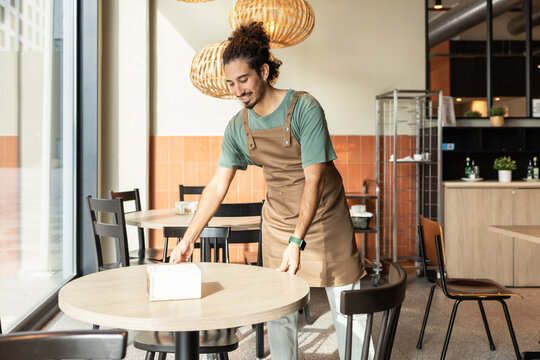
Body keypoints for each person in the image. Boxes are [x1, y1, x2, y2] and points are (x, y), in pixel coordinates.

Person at [170, 22, 373, 359]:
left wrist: (298, 241)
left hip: (325, 221)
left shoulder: (305, 109)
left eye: (244, 80)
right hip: (278, 225)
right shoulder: (239, 126)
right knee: (280, 314)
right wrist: (187, 241)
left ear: (263, 71)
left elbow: (315, 180)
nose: (237, 91)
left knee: (348, 310)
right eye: (231, 84)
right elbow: (217, 186)